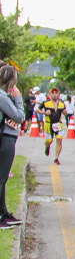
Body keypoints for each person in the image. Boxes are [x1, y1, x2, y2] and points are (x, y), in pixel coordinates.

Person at [0, 66, 25, 229]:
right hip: (6, 138)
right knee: (1, 178)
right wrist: (18, 99)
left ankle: (4, 212)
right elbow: (19, 116)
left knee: (3, 179)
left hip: (7, 136)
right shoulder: (2, 96)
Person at [36, 87, 69, 165]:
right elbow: (37, 110)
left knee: (59, 140)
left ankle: (56, 158)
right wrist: (44, 113)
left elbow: (65, 113)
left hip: (58, 124)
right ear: (49, 94)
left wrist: (65, 112)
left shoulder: (61, 104)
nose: (54, 95)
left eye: (56, 93)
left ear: (58, 95)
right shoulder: (45, 103)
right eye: (52, 93)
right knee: (49, 141)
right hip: (48, 124)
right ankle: (47, 146)